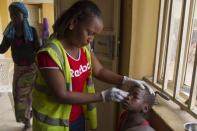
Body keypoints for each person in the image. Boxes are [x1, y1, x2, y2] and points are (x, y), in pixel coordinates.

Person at [32, 1, 154, 131]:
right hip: (53, 124)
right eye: (89, 33)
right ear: (73, 23)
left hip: (77, 117)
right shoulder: (49, 54)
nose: (91, 39)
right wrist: (103, 96)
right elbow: (62, 95)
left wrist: (126, 80)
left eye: (94, 35)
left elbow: (99, 71)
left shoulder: (84, 48)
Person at [0, 2, 40, 130]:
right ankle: (26, 118)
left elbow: (39, 49)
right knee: (18, 96)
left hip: (31, 69)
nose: (13, 17)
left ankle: (28, 119)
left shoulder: (32, 31)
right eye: (11, 14)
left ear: (24, 14)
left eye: (16, 14)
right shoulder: (9, 32)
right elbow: (2, 49)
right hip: (18, 69)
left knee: (29, 96)